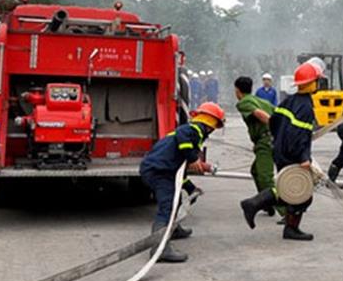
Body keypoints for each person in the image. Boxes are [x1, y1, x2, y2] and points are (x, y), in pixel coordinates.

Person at [240, 61, 324, 241]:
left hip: (280, 150)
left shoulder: (290, 100)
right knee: (301, 192)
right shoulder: (306, 107)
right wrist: (303, 158)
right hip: (293, 153)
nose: (318, 83)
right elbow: (299, 135)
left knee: (292, 189)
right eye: (317, 80)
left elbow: (274, 121)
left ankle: (261, 208)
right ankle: (258, 207)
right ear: (311, 83)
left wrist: (278, 142)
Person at [138, 102, 223, 263]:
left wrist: (190, 187)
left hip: (166, 171)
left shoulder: (193, 135)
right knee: (167, 206)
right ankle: (160, 249)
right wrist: (193, 158)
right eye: (214, 127)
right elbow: (182, 139)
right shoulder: (191, 130)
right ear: (209, 124)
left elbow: (180, 169)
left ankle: (174, 230)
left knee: (175, 202)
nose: (212, 132)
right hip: (158, 171)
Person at [234, 76, 276, 206]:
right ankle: (265, 203)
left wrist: (275, 128)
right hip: (266, 140)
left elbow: (260, 114)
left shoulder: (244, 102)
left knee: (265, 176)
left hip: (266, 140)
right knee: (256, 171)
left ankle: (284, 210)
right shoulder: (262, 101)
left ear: (237, 90)